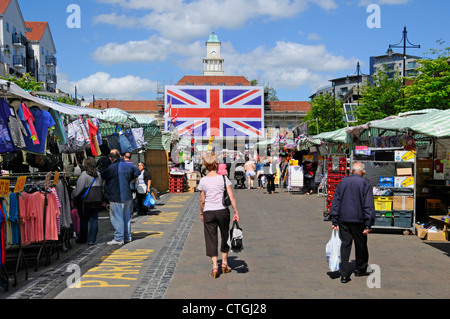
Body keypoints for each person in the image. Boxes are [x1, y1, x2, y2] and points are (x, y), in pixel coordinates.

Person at [329, 162, 375, 283]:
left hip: (344, 219)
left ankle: (344, 274)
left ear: (352, 171)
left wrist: (334, 219)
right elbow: (368, 205)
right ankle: (360, 269)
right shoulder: (365, 183)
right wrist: (368, 223)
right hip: (359, 220)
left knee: (345, 245)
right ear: (363, 171)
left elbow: (336, 201)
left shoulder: (343, 182)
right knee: (361, 245)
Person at [198, 153, 239, 278]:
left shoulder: (203, 181)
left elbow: (202, 200)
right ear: (216, 165)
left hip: (209, 212)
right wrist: (236, 211)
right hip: (222, 211)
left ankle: (215, 266)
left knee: (211, 238)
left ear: (205, 166)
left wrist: (201, 212)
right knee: (225, 236)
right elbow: (231, 196)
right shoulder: (223, 178)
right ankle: (224, 263)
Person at [101, 149, 141, 245]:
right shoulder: (128, 165)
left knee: (117, 217)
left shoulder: (111, 168)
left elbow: (103, 175)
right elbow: (138, 172)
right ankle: (127, 236)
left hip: (116, 196)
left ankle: (119, 238)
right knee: (126, 217)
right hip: (127, 195)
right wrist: (128, 179)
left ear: (110, 158)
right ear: (120, 156)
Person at [71, 157, 104, 245]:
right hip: (97, 200)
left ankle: (83, 238)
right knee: (94, 220)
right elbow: (102, 187)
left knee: (84, 220)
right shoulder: (98, 174)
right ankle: (92, 240)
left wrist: (72, 194)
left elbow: (78, 190)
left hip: (86, 201)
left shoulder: (84, 175)